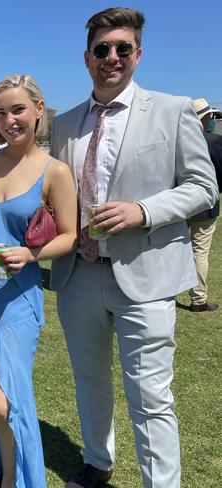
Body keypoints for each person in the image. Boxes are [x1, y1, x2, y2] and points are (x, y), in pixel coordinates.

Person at [49, 7, 218, 488]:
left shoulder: (172, 109)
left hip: (146, 272)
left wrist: (142, 211)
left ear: (139, 54)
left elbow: (203, 188)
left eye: (123, 48)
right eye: (103, 49)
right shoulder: (64, 124)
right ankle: (97, 462)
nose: (112, 57)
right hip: (77, 273)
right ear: (87, 58)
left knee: (151, 395)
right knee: (89, 381)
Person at [0, 74, 77, 488]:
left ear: (39, 109)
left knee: (2, 402)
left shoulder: (55, 171)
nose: (9, 120)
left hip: (16, 300)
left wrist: (33, 254)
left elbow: (71, 235)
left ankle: (12, 482)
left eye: (18, 110)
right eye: (0, 113)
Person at [187, 99, 222, 312]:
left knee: (172, 249)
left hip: (178, 205)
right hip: (207, 206)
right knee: (199, 251)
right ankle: (198, 299)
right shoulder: (216, 142)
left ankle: (166, 294)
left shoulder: (177, 139)